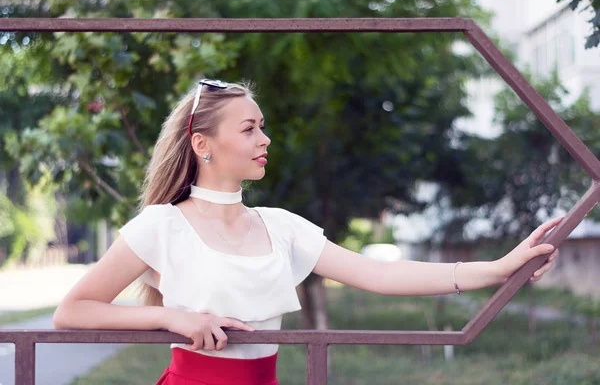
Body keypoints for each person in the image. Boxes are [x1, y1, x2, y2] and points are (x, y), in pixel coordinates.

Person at [53, 79, 561, 385]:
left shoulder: (281, 227)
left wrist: (498, 268)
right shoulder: (162, 225)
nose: (264, 139)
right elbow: (71, 311)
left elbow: (381, 275)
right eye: (249, 128)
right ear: (202, 143)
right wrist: (173, 318)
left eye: (262, 126)